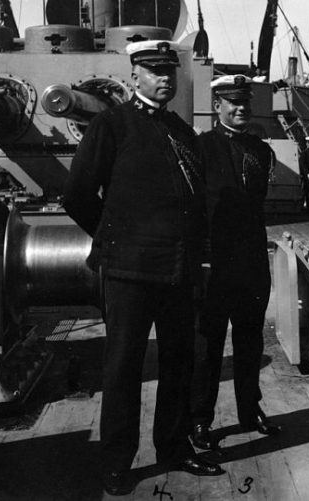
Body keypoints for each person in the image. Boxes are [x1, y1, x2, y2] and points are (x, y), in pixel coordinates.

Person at [63, 40, 224, 496]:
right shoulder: (111, 125)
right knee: (123, 367)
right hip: (129, 272)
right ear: (134, 75)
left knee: (178, 362)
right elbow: (76, 195)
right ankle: (116, 461)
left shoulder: (182, 131)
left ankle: (173, 448)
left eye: (169, 70)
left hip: (178, 271)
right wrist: (115, 239)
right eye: (153, 71)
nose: (164, 78)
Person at [190, 75, 280, 450]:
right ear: (217, 106)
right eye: (232, 102)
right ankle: (199, 419)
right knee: (208, 346)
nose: (240, 107)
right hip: (214, 264)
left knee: (249, 341)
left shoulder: (259, 150)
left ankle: (249, 409)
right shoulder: (199, 148)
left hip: (251, 263)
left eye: (244, 101)